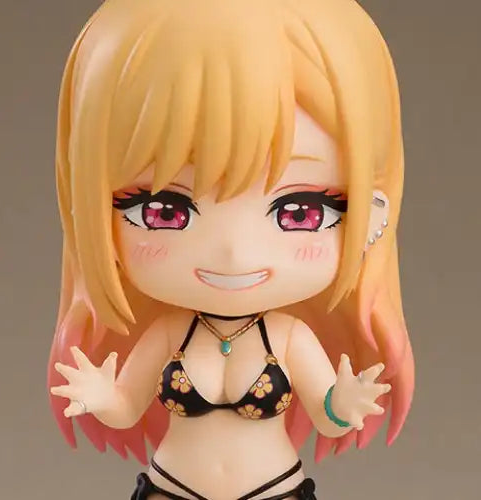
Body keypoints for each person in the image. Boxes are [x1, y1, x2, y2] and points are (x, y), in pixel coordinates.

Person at [48, 0, 414, 498]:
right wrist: (99, 396)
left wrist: (342, 404)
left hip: (274, 490)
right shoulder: (169, 333)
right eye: (165, 211)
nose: (234, 253)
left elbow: (327, 414)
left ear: (372, 216)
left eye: (300, 212)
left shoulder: (288, 338)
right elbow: (126, 407)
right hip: (170, 489)